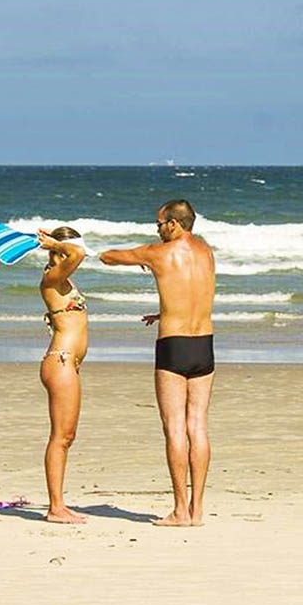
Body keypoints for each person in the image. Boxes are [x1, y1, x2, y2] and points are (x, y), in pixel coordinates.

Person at [99, 200, 215, 527]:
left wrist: (143, 258)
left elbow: (108, 257)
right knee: (199, 426)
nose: (158, 230)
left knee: (175, 427)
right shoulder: (207, 252)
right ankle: (198, 509)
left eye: (159, 224)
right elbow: (194, 294)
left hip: (174, 346)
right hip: (204, 344)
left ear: (175, 224)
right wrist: (164, 311)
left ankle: (180, 510)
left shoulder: (159, 253)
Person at [37, 226, 90, 525]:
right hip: (60, 361)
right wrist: (56, 244)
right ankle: (56, 507)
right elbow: (78, 252)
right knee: (61, 437)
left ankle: (58, 504)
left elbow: (76, 253)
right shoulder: (51, 278)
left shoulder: (62, 280)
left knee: (66, 436)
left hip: (68, 364)